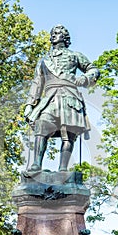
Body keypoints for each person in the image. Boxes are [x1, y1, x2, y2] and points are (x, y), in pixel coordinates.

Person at [24, 24, 100, 171]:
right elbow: (37, 83)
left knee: (69, 134)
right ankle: (36, 165)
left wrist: (84, 79)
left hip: (69, 98)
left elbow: (93, 70)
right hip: (50, 99)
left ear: (65, 37)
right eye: (52, 33)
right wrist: (29, 105)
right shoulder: (43, 61)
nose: (53, 35)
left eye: (57, 33)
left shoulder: (75, 55)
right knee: (42, 125)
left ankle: (63, 169)